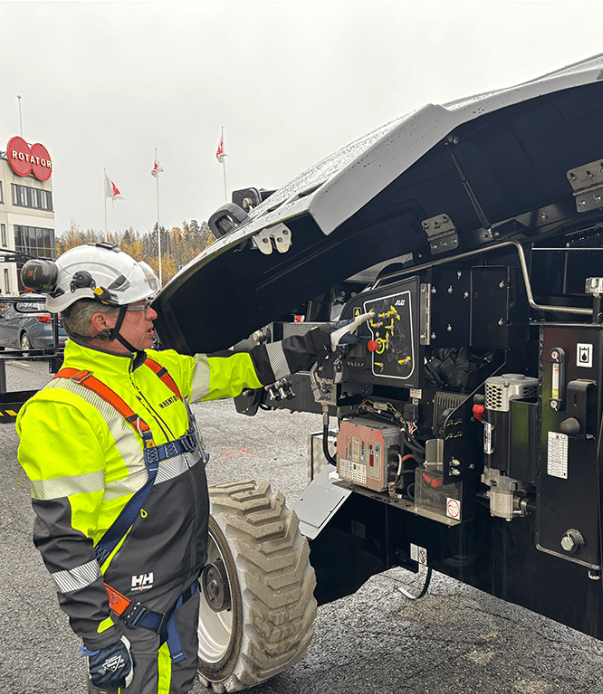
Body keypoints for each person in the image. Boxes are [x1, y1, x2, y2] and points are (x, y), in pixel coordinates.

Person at [16, 243, 371, 693]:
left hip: (185, 590)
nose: (153, 316)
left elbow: (245, 368)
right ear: (103, 321)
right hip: (134, 614)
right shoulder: (62, 411)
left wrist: (320, 341)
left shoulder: (157, 372)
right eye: (141, 308)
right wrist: (100, 639)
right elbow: (64, 543)